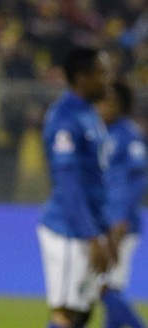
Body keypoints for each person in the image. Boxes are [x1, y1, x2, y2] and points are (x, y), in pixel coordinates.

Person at [38, 46, 114, 328]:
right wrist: (93, 237)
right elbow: (68, 185)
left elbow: (95, 182)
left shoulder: (88, 115)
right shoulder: (65, 118)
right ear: (82, 77)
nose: (108, 79)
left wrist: (103, 232)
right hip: (69, 230)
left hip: (88, 229)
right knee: (66, 313)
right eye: (102, 73)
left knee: (81, 313)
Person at [97, 80, 147, 328]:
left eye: (108, 101)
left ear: (121, 105)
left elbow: (134, 184)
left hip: (121, 228)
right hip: (102, 224)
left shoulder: (130, 135)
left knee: (106, 288)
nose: (102, 106)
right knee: (107, 287)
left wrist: (119, 224)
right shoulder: (100, 132)